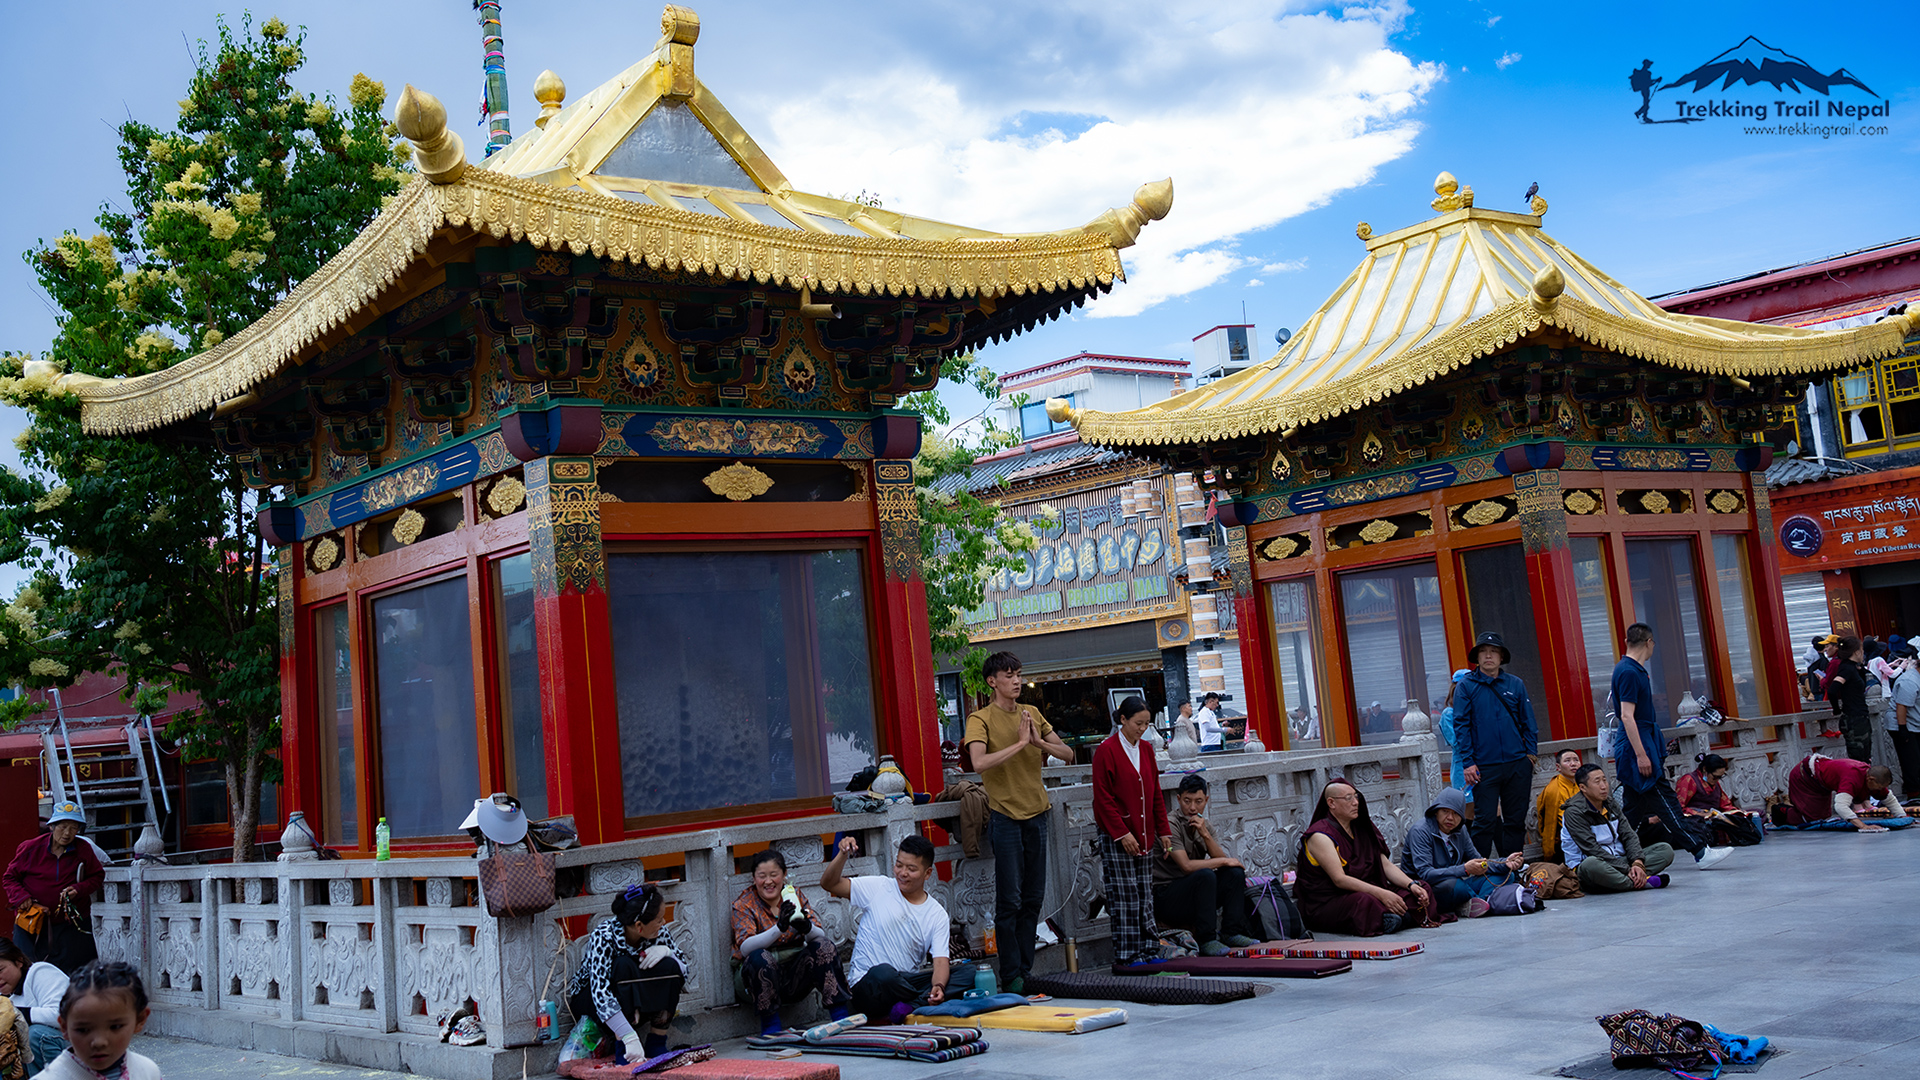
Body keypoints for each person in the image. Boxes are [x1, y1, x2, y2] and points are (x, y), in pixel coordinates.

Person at [963, 651, 1071, 994]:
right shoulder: (979, 718)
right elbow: (979, 763)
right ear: (992, 681)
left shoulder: (1032, 714)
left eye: (1019, 674)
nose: (1016, 681)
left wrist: (1037, 742)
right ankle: (1010, 975)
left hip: (1038, 813)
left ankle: (1026, 970)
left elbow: (1067, 754)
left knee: (1033, 898)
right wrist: (1021, 743)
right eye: (1008, 675)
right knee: (1009, 900)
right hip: (1005, 816)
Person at [1611, 623, 1734, 871]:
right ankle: (1700, 851)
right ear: (1649, 643)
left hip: (1641, 740)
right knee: (1667, 803)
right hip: (1638, 744)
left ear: (1627, 642)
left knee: (1633, 809)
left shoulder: (1630, 669)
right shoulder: (1629, 671)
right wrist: (1641, 755)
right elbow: (1626, 716)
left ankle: (1614, 852)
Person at [820, 835, 949, 1023]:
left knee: (966, 974)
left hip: (903, 982)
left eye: (911, 869)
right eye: (899, 865)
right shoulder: (879, 887)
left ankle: (907, 1006)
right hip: (870, 986)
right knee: (884, 974)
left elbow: (941, 961)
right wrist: (842, 855)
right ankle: (917, 1002)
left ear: (927, 873)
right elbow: (829, 884)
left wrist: (938, 986)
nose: (902, 873)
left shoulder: (937, 914)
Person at [730, 850, 850, 1036]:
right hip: (754, 981)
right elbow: (745, 947)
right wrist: (779, 928)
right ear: (754, 878)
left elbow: (819, 935)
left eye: (774, 875)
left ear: (784, 875)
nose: (768, 881)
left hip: (794, 977)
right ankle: (771, 1027)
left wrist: (806, 927)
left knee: (824, 946)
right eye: (762, 876)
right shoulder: (744, 904)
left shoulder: (794, 895)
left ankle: (840, 1017)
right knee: (759, 957)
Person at [1294, 780, 1438, 936]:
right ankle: (1402, 917)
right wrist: (1382, 894)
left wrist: (1411, 885)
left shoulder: (1362, 828)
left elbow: (1385, 865)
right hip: (1331, 900)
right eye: (1348, 798)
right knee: (1364, 902)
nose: (1356, 803)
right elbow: (1339, 880)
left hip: (1369, 889)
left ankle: (1393, 918)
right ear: (1331, 803)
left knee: (1422, 889)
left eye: (1356, 797)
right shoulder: (1321, 835)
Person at [566, 883, 687, 1064]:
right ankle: (623, 1047)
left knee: (670, 966)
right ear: (639, 926)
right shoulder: (604, 936)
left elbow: (683, 972)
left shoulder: (660, 933)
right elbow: (601, 995)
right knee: (623, 965)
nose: (663, 923)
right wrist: (629, 1036)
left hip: (636, 998)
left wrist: (668, 952)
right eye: (659, 920)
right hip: (593, 1003)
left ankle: (656, 1042)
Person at [1091, 696, 1172, 966]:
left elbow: (1155, 793)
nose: (1142, 729)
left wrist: (1164, 830)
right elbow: (1103, 799)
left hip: (1144, 832)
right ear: (1123, 720)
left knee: (1145, 893)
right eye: (1138, 723)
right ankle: (1127, 954)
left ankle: (1149, 948)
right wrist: (1121, 833)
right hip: (1118, 835)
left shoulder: (1147, 749)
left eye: (1146, 724)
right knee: (1124, 896)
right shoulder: (1106, 750)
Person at [1454, 631, 1539, 857]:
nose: (1488, 656)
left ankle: (1513, 869)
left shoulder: (1515, 684)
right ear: (1477, 657)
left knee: (1515, 821)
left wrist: (1530, 756)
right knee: (1484, 821)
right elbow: (1461, 725)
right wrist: (1468, 762)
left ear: (1502, 657)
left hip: (1517, 763)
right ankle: (1480, 870)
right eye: (1483, 651)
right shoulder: (1466, 686)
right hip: (1483, 766)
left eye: (1493, 652)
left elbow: (1529, 722)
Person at [1153, 776, 1259, 955]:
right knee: (1206, 875)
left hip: (1196, 893)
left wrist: (1205, 834)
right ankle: (1207, 939)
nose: (1192, 807)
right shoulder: (1170, 824)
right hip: (1167, 895)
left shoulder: (1204, 824)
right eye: (1187, 801)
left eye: (1198, 801)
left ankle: (1231, 932)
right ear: (1178, 799)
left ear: (1206, 800)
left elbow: (1222, 860)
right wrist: (1224, 860)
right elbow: (1186, 866)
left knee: (1234, 873)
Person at [3, 803, 103, 973]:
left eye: (73, 828)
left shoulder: (83, 849)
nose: (67, 833)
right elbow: (9, 877)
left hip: (71, 923)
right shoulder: (30, 848)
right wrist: (21, 897)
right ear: (51, 826)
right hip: (33, 922)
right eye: (63, 827)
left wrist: (79, 889)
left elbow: (97, 876)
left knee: (77, 971)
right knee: (29, 970)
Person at [1400, 787, 1522, 918]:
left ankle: (1476, 904)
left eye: (1456, 813)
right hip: (1427, 889)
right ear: (1436, 811)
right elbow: (1425, 874)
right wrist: (1464, 869)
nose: (1450, 818)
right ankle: (1480, 903)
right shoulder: (1420, 831)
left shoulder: (1460, 830)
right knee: (1456, 886)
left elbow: (1479, 861)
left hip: (1456, 883)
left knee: (1507, 875)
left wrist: (1505, 863)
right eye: (1445, 811)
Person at [37, 961, 160, 1080]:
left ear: (140, 1020)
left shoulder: (148, 1072)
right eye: (83, 1030)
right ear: (64, 1027)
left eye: (115, 1027)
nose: (99, 1042)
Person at [1561, 764, 1673, 893]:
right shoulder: (1574, 812)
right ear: (1583, 788)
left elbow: (1629, 834)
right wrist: (1626, 869)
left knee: (1665, 850)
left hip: (1619, 860)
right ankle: (1640, 881)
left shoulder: (1610, 803)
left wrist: (1637, 863)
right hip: (1593, 864)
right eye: (1597, 782)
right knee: (1590, 864)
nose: (1603, 786)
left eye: (1604, 780)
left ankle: (1624, 880)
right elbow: (1592, 849)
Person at [1778, 754, 1909, 831]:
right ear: (1871, 779)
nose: (1879, 791)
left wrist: (1903, 817)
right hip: (1803, 777)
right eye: (1879, 787)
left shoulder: (1872, 778)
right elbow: (1840, 806)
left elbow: (1888, 798)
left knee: (1823, 816)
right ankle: (1780, 812)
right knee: (1810, 819)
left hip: (1821, 783)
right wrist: (1862, 826)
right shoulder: (1852, 777)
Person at [0, 937, 69, 1075]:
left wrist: (17, 1014)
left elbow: (63, 1015)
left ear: (18, 961)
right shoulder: (5, 997)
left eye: (0, 970)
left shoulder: (40, 972)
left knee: (35, 1034)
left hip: (75, 1046)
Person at [1674, 753, 1765, 846]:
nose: (1717, 780)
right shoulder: (1689, 780)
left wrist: (1738, 812)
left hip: (1715, 817)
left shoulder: (1714, 782)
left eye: (1720, 777)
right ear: (1705, 769)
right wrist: (1701, 814)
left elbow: (1725, 805)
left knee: (1757, 814)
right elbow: (1677, 807)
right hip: (1697, 819)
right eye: (1715, 777)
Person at [1824, 636, 1873, 763]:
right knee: (1859, 758)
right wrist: (1836, 709)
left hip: (1860, 715)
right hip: (1854, 717)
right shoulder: (1846, 668)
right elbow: (1832, 690)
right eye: (1861, 650)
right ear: (1856, 652)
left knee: (1865, 755)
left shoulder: (1853, 667)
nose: (1863, 653)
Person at [1534, 749, 1584, 863]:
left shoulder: (1583, 783)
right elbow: (1555, 823)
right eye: (1567, 761)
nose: (1573, 764)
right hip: (1565, 841)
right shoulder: (1553, 789)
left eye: (1576, 760)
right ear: (1558, 767)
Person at [1435, 669, 1473, 800]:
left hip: (1484, 763)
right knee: (1467, 805)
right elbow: (1457, 743)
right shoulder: (1449, 714)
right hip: (1463, 767)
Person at [1888, 645, 1920, 798]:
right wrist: (1902, 729)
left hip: (1915, 723)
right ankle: (1914, 793)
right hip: (1902, 724)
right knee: (1911, 760)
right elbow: (1901, 706)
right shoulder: (1910, 680)